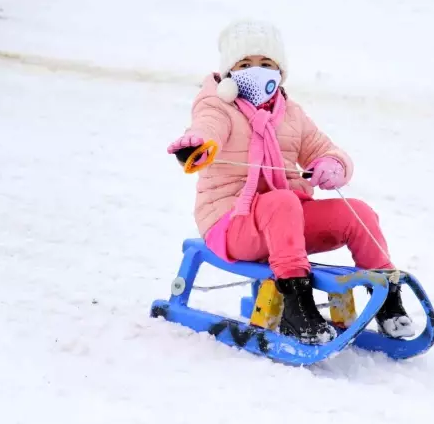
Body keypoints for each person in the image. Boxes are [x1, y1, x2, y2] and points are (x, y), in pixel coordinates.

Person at [167, 19, 413, 344]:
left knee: (358, 212)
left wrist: (332, 164)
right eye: (245, 64)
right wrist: (197, 143)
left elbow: (323, 148)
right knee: (281, 203)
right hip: (231, 223)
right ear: (229, 72)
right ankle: (297, 308)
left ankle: (386, 298)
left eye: (266, 63)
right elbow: (206, 126)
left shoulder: (290, 113)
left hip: (285, 221)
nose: (257, 70)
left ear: (280, 72)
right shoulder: (218, 105)